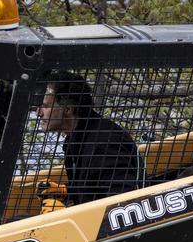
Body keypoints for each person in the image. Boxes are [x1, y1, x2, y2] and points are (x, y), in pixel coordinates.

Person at [38, 73, 142, 205]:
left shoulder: (104, 141)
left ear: (68, 109)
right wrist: (66, 192)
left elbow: (122, 201)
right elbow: (93, 190)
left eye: (45, 106)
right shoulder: (76, 142)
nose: (39, 113)